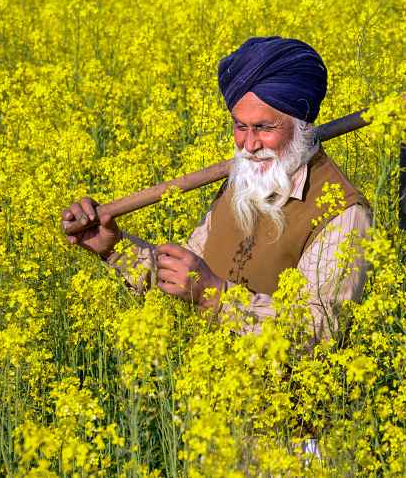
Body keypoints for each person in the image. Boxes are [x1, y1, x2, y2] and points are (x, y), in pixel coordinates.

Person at [61, 37, 371, 343]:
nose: (249, 145)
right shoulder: (244, 179)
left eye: (264, 127)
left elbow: (321, 331)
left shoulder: (343, 212)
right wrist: (116, 248)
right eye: (240, 126)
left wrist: (216, 298)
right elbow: (187, 273)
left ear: (302, 124)